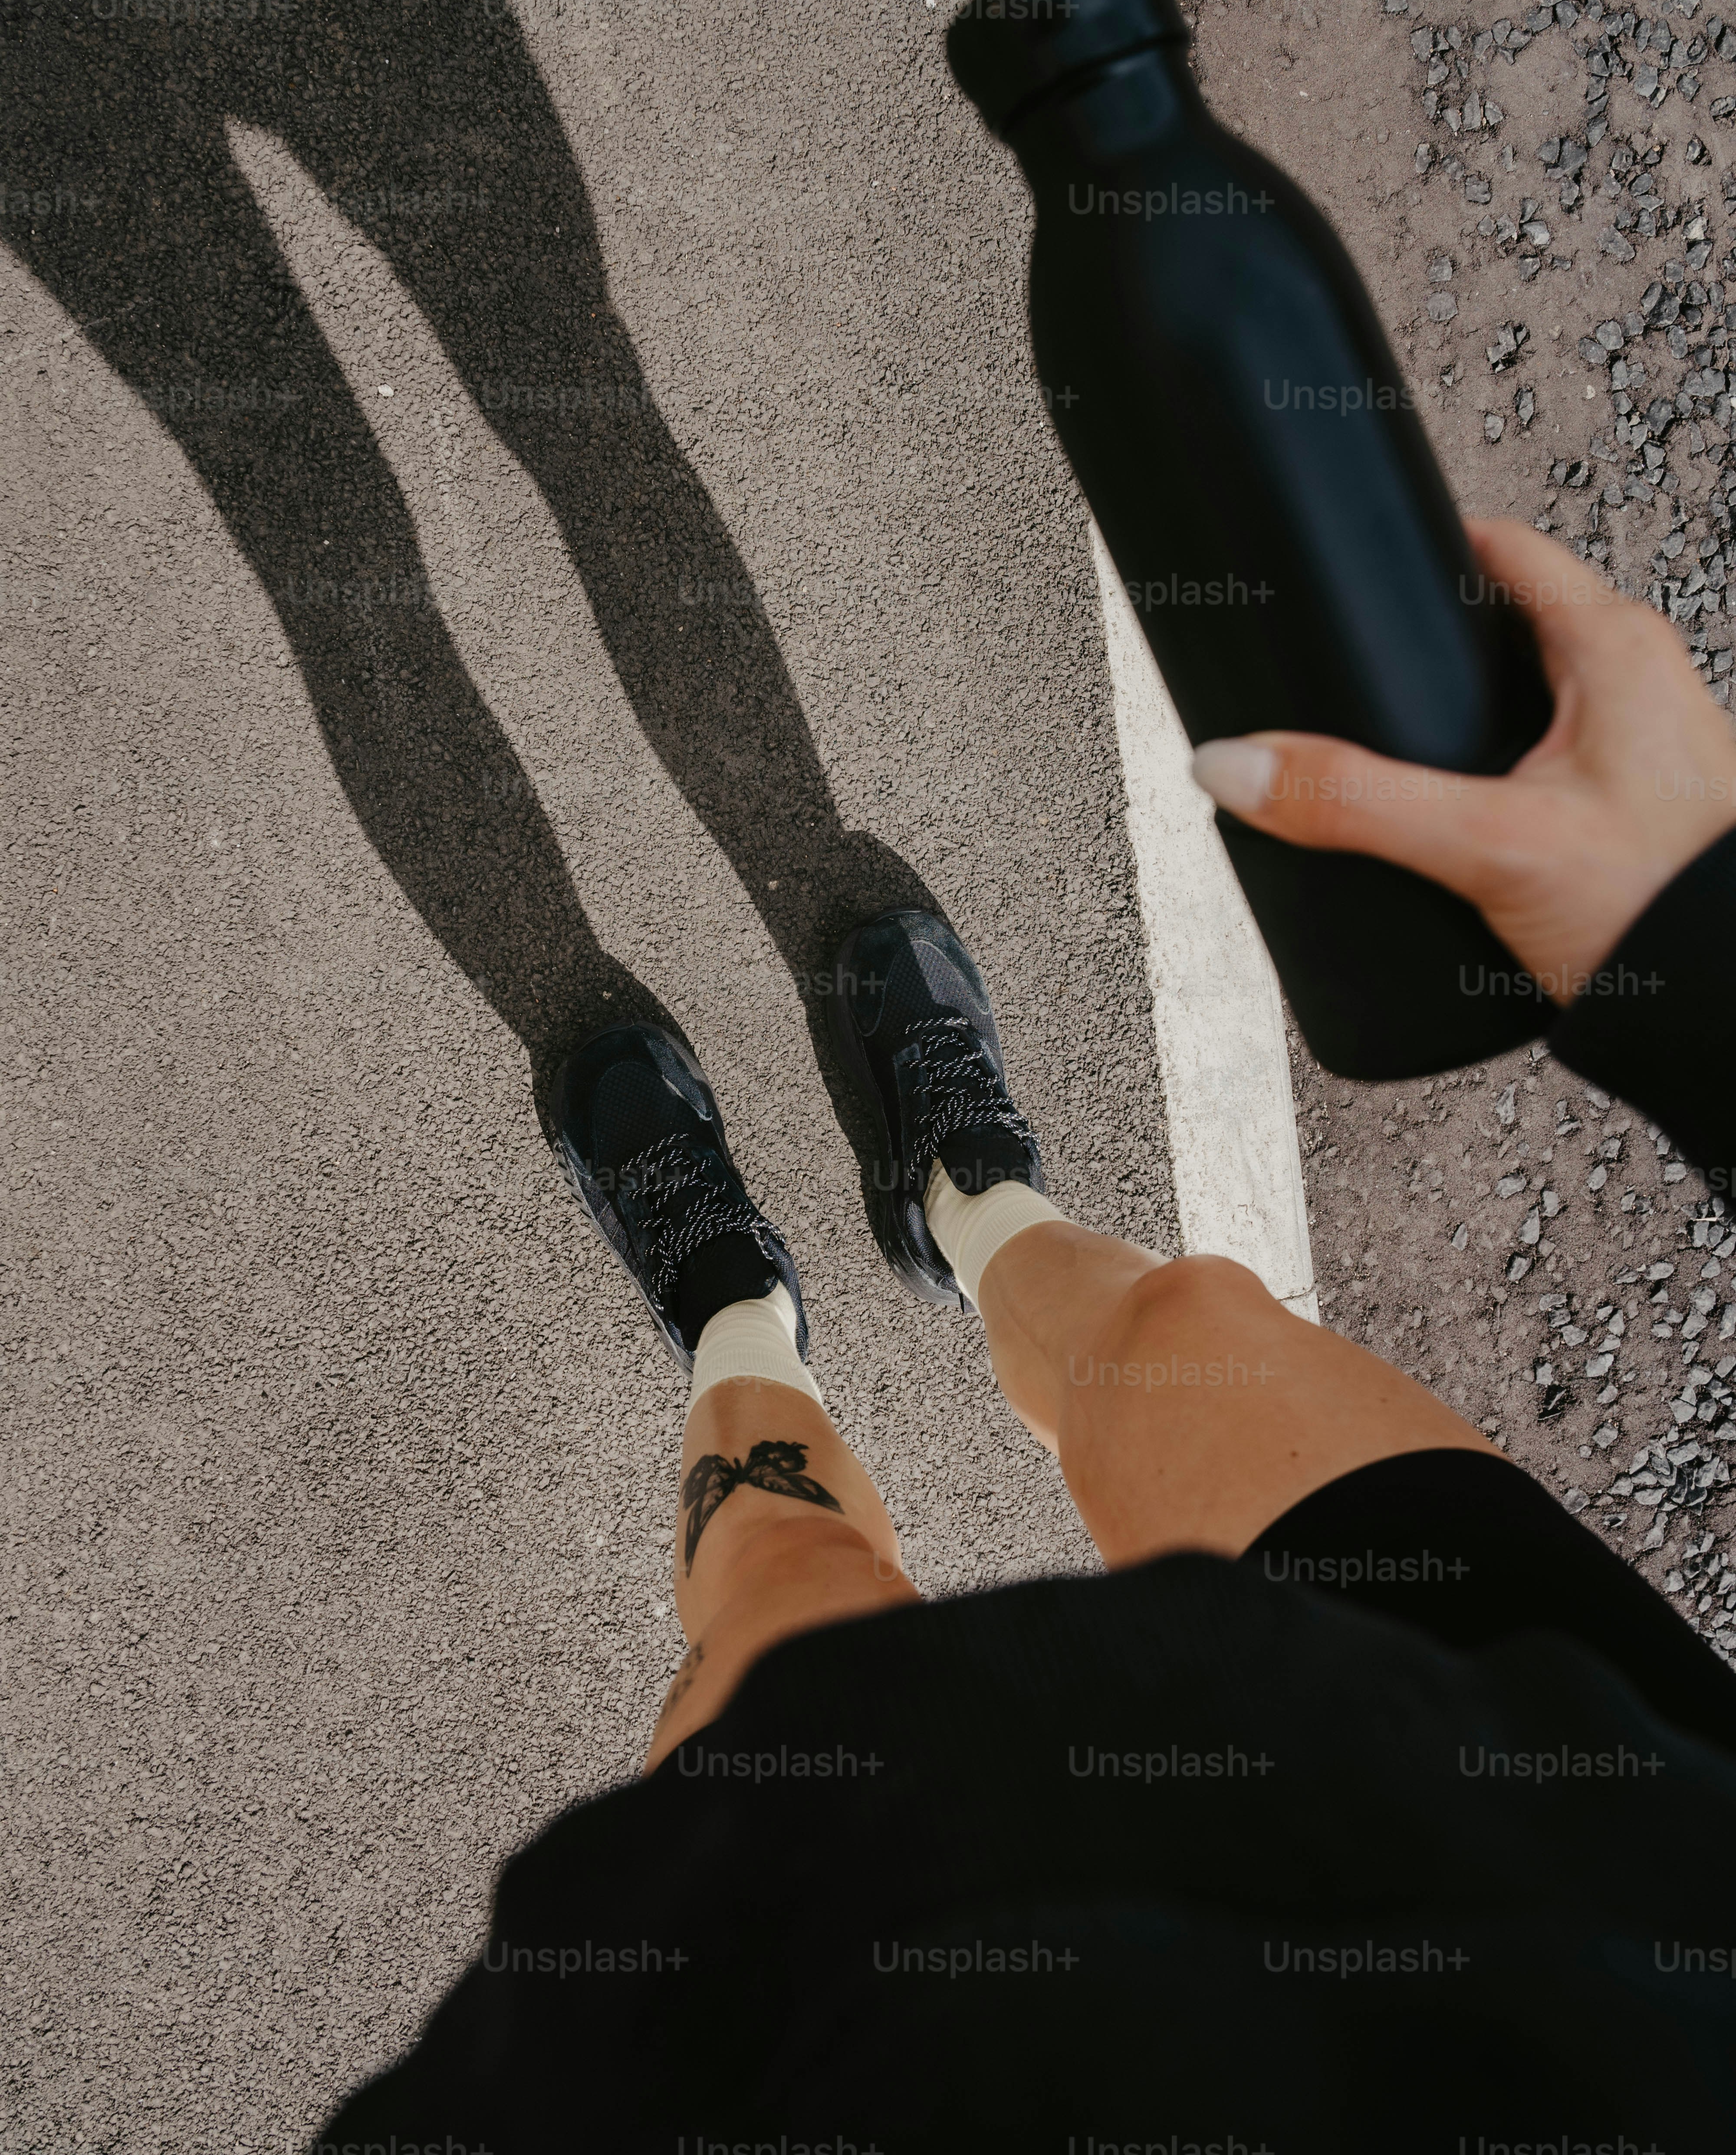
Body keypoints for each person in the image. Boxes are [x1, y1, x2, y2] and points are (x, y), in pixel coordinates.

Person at [318, 519, 1736, 2154]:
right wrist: (1691, 959)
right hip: (1607, 1873)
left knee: (791, 1597)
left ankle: (735, 1309)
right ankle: (964, 1198)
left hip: (891, 2033)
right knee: (1187, 1326)